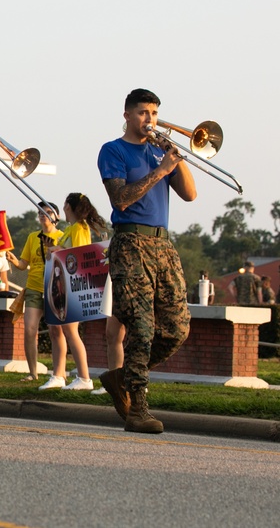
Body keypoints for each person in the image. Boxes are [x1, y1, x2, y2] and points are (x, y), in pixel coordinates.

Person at [97, 88, 196, 434]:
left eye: (153, 113)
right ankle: (138, 407)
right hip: (130, 242)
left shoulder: (160, 151)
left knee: (178, 327)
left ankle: (122, 377)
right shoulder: (113, 150)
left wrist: (175, 160)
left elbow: (190, 194)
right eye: (142, 113)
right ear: (127, 115)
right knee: (141, 326)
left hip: (163, 245)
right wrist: (159, 171)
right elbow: (120, 199)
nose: (149, 120)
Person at [41, 192, 109, 392]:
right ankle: (59, 374)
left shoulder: (79, 228)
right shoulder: (72, 228)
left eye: (64, 205)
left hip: (72, 287)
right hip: (63, 285)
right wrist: (55, 249)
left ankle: (84, 378)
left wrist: (57, 250)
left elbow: (79, 255)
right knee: (61, 330)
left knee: (71, 332)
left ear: (68, 207)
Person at [6, 203, 62, 386]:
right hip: (33, 287)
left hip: (55, 288)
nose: (42, 215)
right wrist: (14, 260)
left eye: (46, 212)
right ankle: (33, 373)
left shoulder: (62, 237)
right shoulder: (32, 237)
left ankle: (58, 373)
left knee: (56, 331)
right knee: (30, 330)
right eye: (40, 212)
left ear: (56, 216)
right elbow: (24, 264)